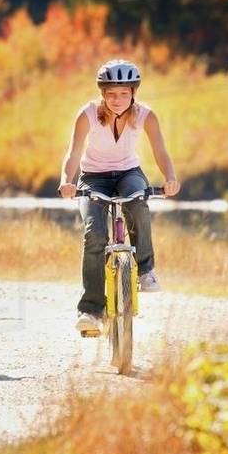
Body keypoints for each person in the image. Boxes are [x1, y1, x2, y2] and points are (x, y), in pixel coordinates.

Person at [57, 58, 180, 335]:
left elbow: (160, 150)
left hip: (128, 173)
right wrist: (67, 181)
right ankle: (90, 310)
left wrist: (170, 178)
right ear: (102, 93)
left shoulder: (145, 115)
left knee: (138, 203)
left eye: (124, 93)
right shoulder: (87, 114)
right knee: (94, 235)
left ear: (133, 92)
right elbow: (74, 151)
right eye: (111, 93)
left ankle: (146, 269)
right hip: (93, 178)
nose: (117, 99)